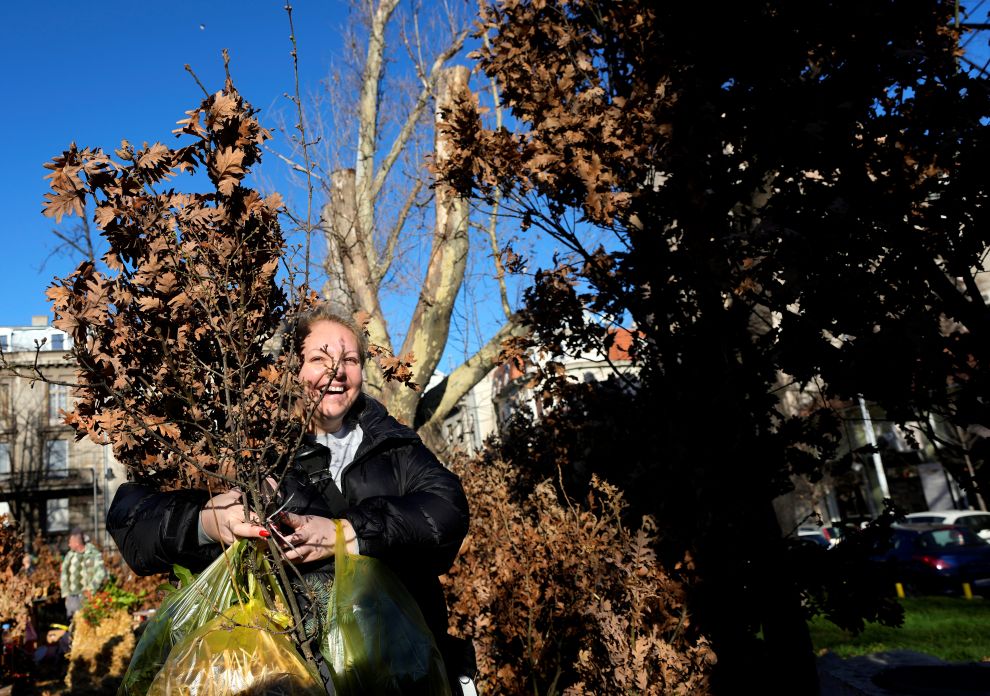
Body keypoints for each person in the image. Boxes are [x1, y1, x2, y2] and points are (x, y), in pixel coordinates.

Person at [107, 305, 474, 694]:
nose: (336, 372)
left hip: (402, 670)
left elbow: (446, 510)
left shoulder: (393, 444)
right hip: (288, 674)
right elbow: (132, 521)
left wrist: (345, 533)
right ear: (288, 370)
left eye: (349, 359)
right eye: (319, 358)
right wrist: (205, 522)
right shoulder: (243, 446)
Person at [59, 528, 107, 620]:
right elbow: (64, 574)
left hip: (87, 595)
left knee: (86, 621)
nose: (69, 545)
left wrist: (91, 589)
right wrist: (65, 593)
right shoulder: (69, 556)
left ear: (77, 543)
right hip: (72, 596)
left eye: (70, 542)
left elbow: (101, 573)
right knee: (72, 621)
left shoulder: (93, 554)